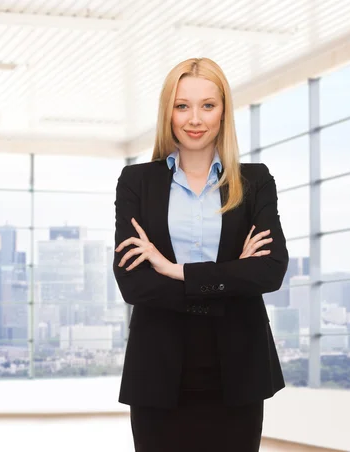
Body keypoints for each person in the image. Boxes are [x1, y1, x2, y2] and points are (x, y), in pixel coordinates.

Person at [113, 57, 289, 452]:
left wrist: (176, 271)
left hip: (239, 367)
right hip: (157, 367)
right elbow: (134, 283)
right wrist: (230, 276)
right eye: (182, 106)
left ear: (224, 111)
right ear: (168, 113)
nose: (195, 118)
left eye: (207, 105)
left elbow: (270, 271)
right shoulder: (137, 182)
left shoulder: (255, 181)